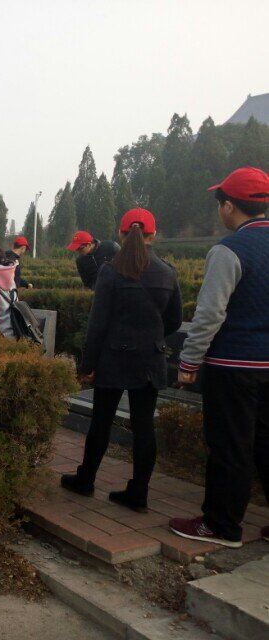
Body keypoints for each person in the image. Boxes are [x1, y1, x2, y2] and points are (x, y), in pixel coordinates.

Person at [170, 167, 269, 548]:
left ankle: (222, 525)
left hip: (234, 367)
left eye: (220, 203)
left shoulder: (229, 250)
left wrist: (189, 362)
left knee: (231, 446)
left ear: (229, 206)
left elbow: (210, 314)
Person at [61, 209, 182, 512]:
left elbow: (97, 323)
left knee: (101, 420)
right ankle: (139, 493)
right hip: (150, 358)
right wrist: (152, 337)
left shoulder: (111, 271)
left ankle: (85, 480)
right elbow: (175, 320)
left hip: (113, 357)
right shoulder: (167, 272)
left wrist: (87, 365)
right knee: (144, 426)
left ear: (121, 234)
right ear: (154, 234)